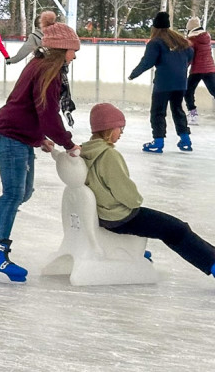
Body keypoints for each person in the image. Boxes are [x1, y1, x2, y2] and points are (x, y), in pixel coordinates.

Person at [0, 23, 81, 282]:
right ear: (61, 49)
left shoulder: (40, 65)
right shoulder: (48, 71)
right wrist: (68, 143)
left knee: (23, 192)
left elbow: (30, 107)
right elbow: (46, 112)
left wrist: (38, 137)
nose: (75, 56)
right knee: (13, 194)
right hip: (9, 135)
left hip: (17, 135)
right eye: (72, 51)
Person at [81, 102, 215, 280]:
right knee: (177, 229)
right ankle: (212, 263)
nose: (121, 133)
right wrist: (136, 200)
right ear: (108, 128)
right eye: (119, 128)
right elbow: (127, 194)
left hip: (105, 215)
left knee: (171, 227)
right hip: (120, 217)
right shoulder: (108, 155)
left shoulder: (85, 151)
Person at [128, 11, 194, 153]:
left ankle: (158, 142)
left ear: (155, 27)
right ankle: (186, 139)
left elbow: (147, 62)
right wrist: (181, 69)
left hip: (164, 83)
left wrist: (133, 74)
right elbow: (190, 56)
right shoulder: (182, 41)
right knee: (178, 110)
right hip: (181, 83)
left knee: (158, 112)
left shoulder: (156, 42)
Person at [8, 11, 76, 125]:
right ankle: (66, 108)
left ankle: (45, 115)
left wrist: (12, 60)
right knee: (63, 88)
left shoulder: (34, 36)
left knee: (43, 93)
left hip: (43, 67)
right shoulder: (55, 35)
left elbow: (24, 50)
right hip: (58, 64)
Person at [184, 16, 215, 125]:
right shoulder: (206, 37)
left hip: (197, 70)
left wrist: (184, 68)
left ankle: (193, 114)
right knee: (214, 90)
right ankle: (193, 115)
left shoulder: (192, 40)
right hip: (210, 68)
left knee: (187, 91)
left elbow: (189, 56)